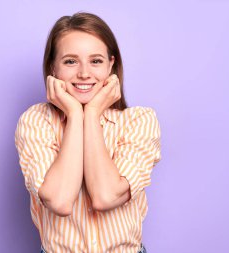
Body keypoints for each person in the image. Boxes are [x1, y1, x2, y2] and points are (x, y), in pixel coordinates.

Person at [14, 12, 161, 253]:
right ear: (53, 66)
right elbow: (59, 201)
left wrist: (91, 114)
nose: (84, 73)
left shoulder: (139, 121)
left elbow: (106, 196)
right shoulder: (36, 121)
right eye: (71, 61)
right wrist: (74, 114)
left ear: (111, 64)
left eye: (96, 61)